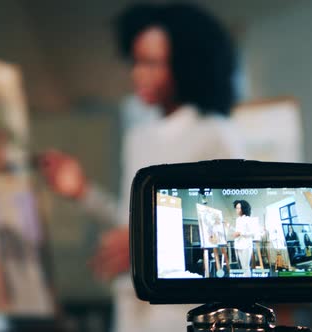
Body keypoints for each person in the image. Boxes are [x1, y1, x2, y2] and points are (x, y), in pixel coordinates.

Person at [40, 3, 244, 331]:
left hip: (184, 317)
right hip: (131, 312)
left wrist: (146, 249)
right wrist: (82, 191)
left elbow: (230, 240)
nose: (137, 74)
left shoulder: (215, 134)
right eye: (135, 62)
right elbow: (131, 221)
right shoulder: (139, 136)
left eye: (151, 63)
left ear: (186, 64)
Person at [232, 200, 256, 277]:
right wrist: (230, 227)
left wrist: (240, 233)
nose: (237, 210)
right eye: (236, 208)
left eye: (239, 208)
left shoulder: (248, 219)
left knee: (246, 267)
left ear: (244, 208)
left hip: (246, 245)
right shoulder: (238, 219)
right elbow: (237, 232)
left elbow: (252, 233)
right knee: (243, 267)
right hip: (238, 245)